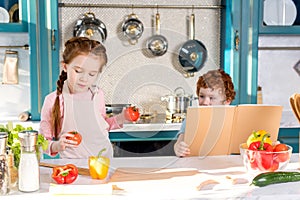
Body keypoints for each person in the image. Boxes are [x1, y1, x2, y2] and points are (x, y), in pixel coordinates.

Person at [39, 37, 126, 159]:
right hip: (74, 168)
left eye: (92, 74)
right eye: (78, 71)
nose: (84, 78)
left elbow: (102, 125)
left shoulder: (97, 94)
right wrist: (57, 145)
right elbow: (41, 143)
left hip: (104, 162)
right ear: (65, 66)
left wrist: (121, 118)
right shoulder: (53, 100)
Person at [173, 69, 236, 157]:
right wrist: (178, 148)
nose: (205, 102)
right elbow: (180, 141)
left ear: (227, 101)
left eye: (212, 98)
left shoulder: (234, 119)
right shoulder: (192, 117)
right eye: (202, 96)